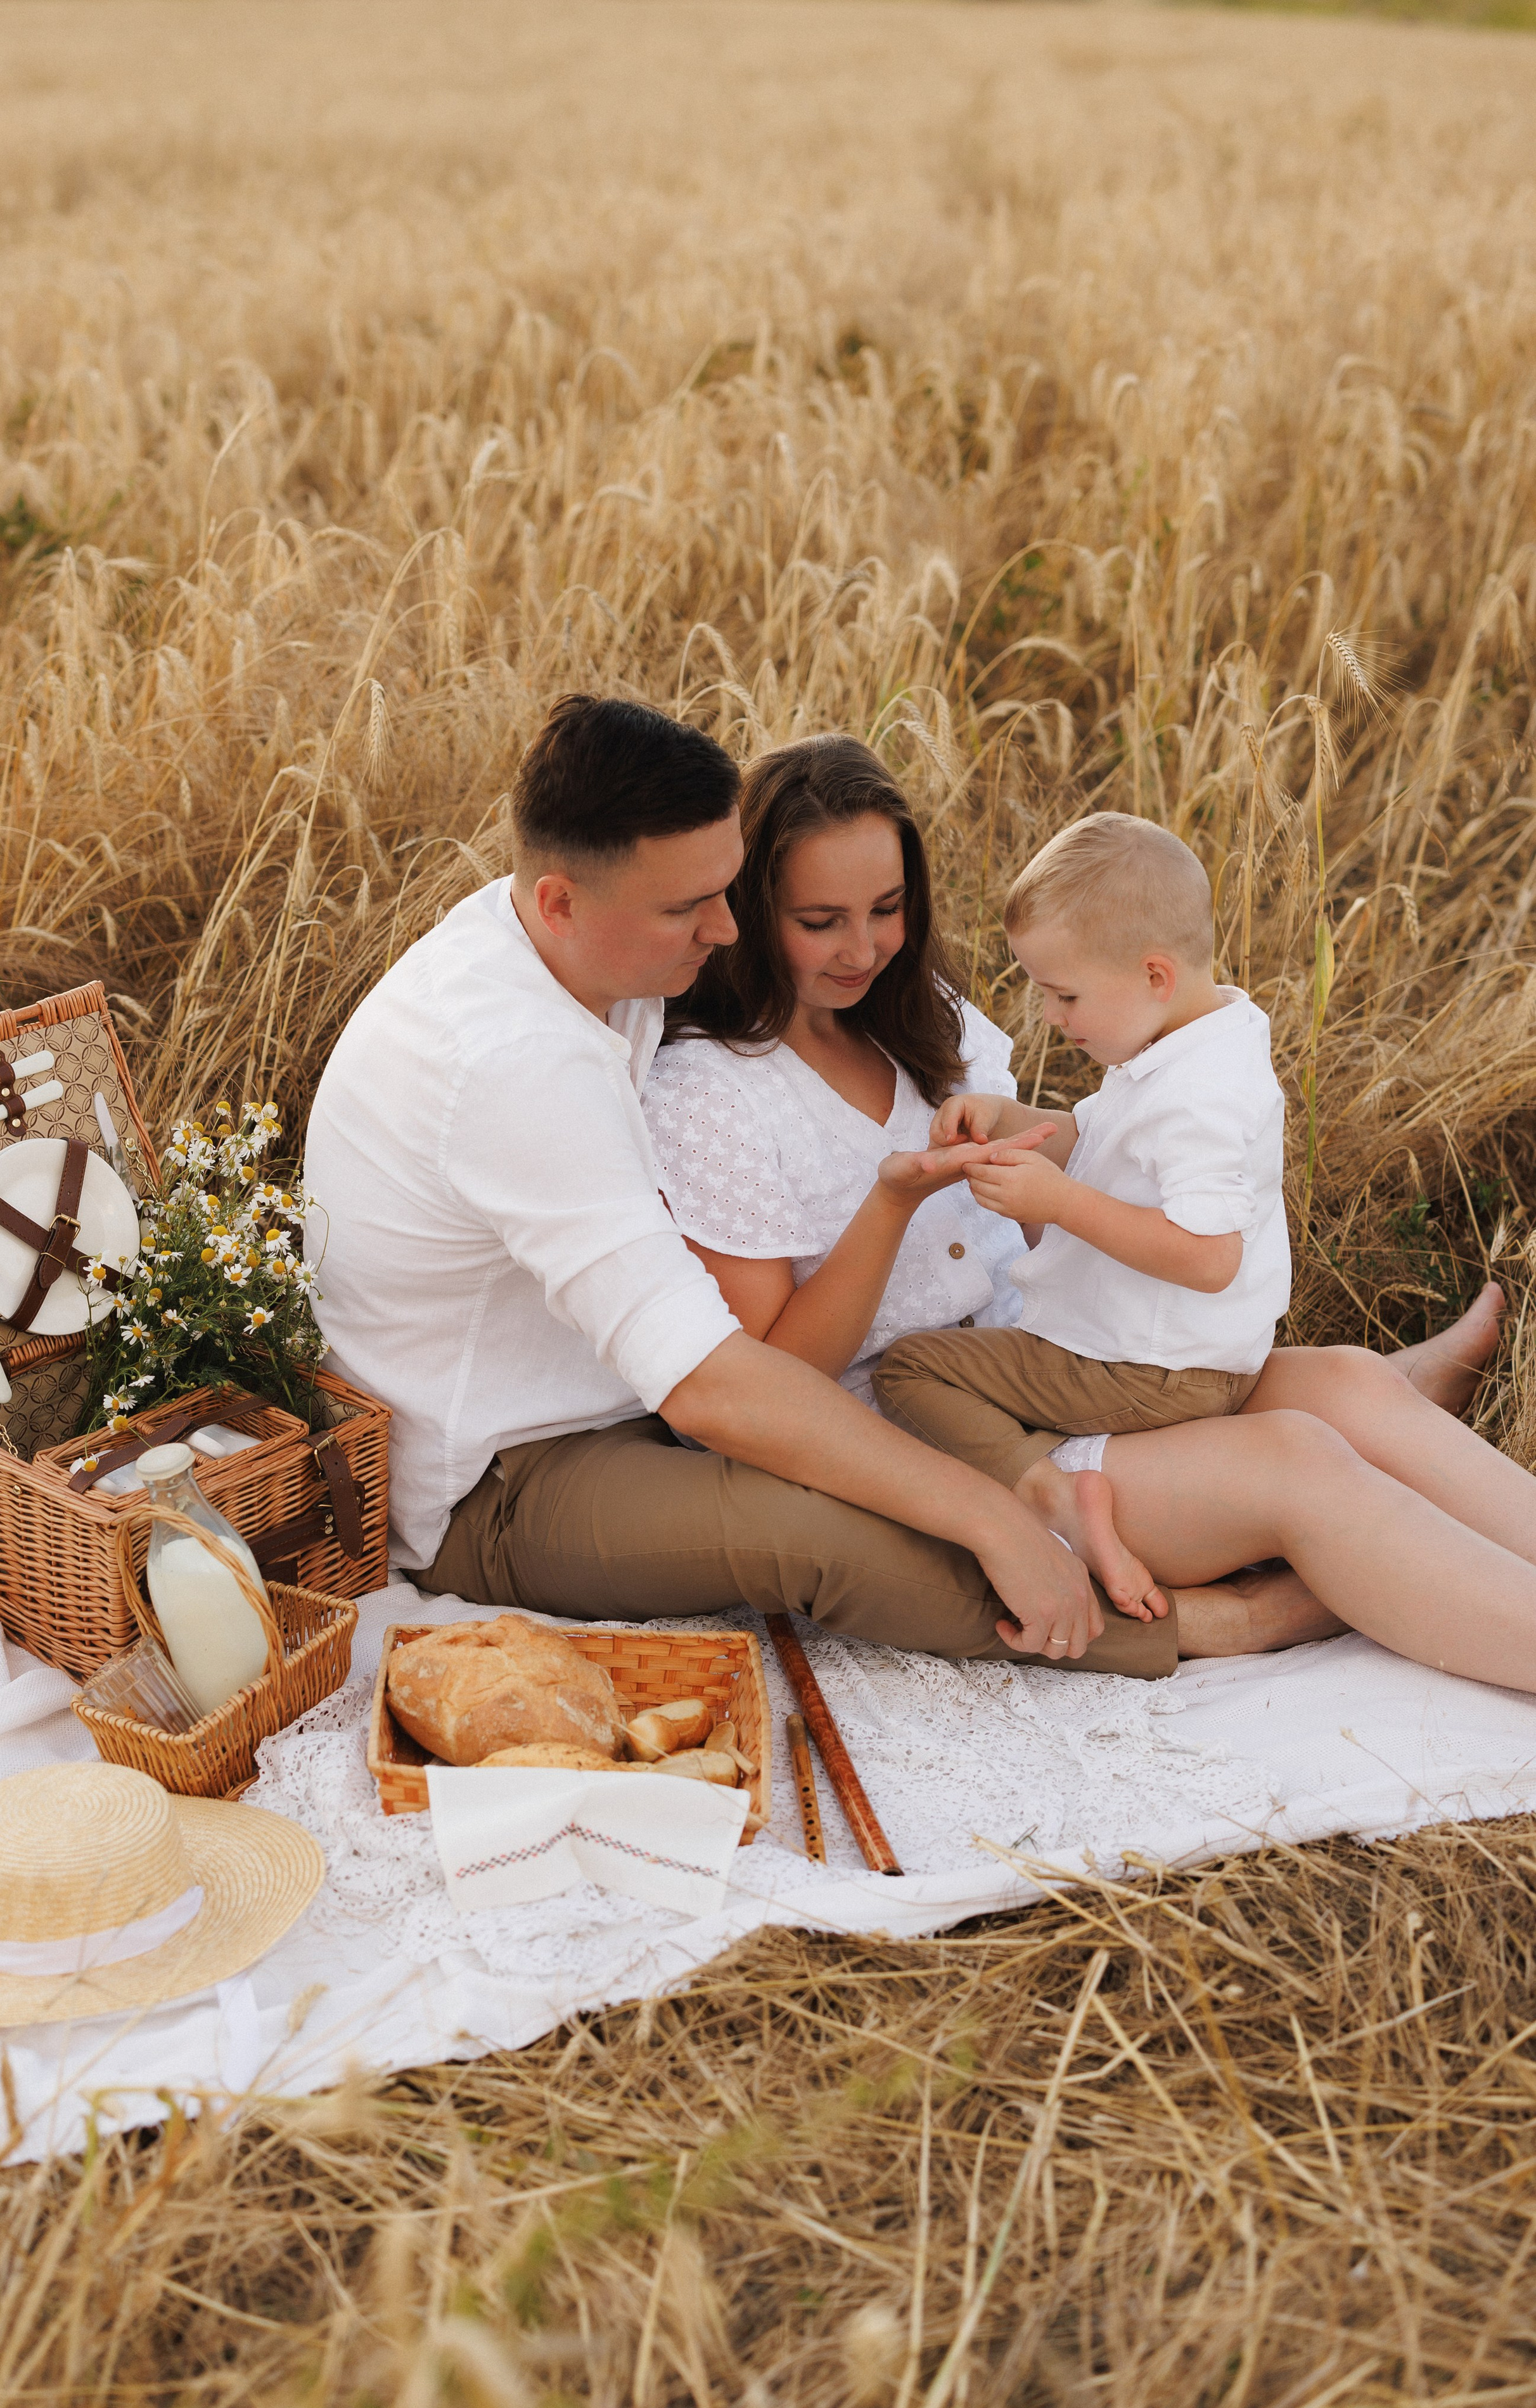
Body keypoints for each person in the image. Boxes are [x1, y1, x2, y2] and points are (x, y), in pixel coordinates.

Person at [643, 731, 1536, 1691]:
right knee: (1296, 1459)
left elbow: (1053, 1205)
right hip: (929, 1436)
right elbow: (770, 1381)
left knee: (1349, 1385)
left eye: (889, 908)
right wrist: (892, 1202)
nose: (863, 948)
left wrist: (1047, 1161)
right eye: (820, 920)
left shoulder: (920, 1020)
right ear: (747, 912)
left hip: (1058, 1358)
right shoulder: (714, 1090)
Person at [304, 693, 1150, 1679]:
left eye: (730, 889)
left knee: (872, 1464)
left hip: (629, 1395)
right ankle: (1202, 1631)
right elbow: (707, 1387)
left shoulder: (560, 941)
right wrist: (991, 1515)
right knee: (816, 1530)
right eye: (686, 908)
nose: (724, 927)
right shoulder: (511, 1061)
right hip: (498, 1473)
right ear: (560, 902)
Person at [873, 811, 1290, 1621]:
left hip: (1150, 1365)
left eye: (1064, 994)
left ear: (1154, 975)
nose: (1051, 1017)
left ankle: (1059, 1497)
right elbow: (1106, 1146)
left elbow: (1209, 1257)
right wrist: (1010, 1117)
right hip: (1173, 1352)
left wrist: (1056, 1201)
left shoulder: (1199, 1098)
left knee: (910, 1371)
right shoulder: (1190, 1043)